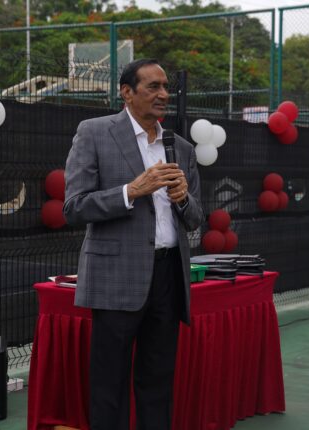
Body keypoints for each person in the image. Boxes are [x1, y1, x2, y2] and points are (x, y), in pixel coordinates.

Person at [63, 58, 204, 430]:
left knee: (158, 379)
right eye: (153, 87)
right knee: (109, 382)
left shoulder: (181, 147)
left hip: (168, 275)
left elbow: (196, 218)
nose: (163, 94)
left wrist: (183, 199)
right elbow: (74, 207)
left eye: (166, 87)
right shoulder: (94, 133)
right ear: (126, 92)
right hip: (117, 275)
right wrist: (131, 191)